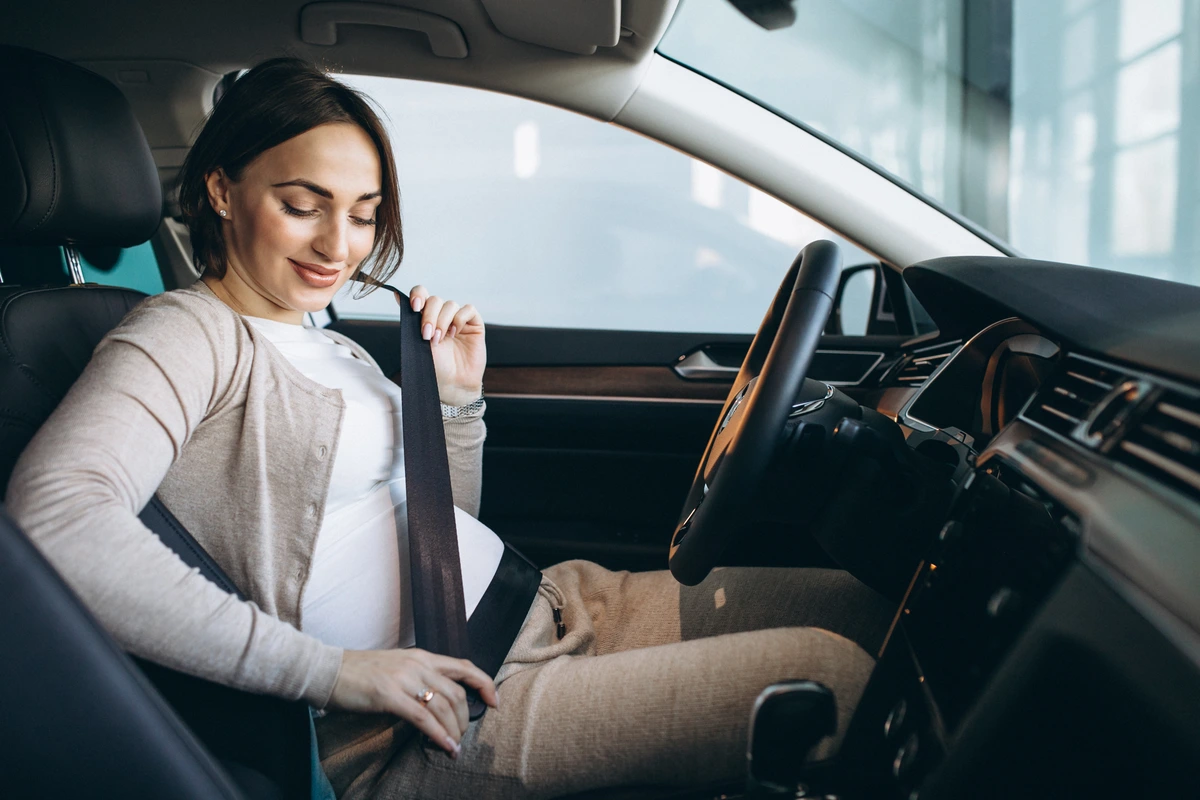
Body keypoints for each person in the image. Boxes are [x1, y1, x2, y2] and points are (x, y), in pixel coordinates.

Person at [5, 58, 891, 799]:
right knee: (835, 681)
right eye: (302, 203)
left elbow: (432, 529)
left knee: (875, 608)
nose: (338, 246)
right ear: (222, 190)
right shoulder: (185, 332)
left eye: (362, 211)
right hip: (438, 722)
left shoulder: (320, 336)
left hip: (548, 606)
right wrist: (335, 673)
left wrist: (456, 406)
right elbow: (54, 519)